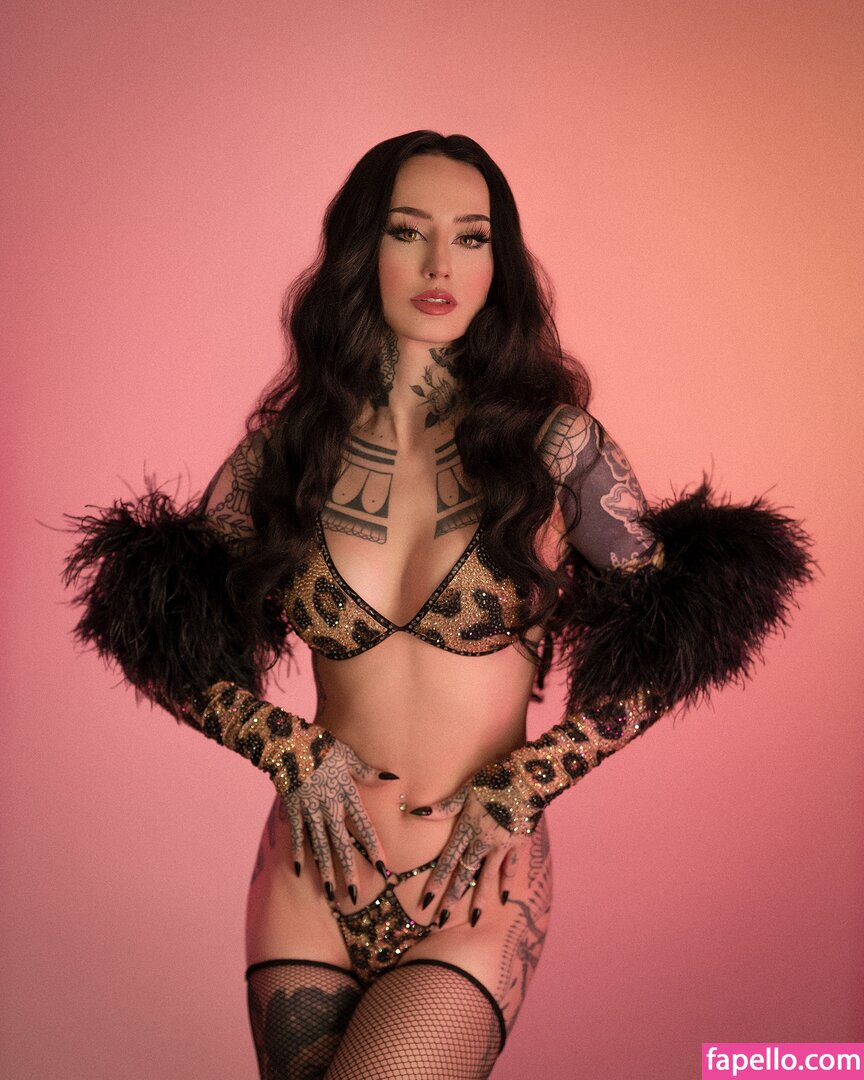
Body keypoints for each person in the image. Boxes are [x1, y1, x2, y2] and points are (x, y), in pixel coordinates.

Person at [64, 131, 813, 1080]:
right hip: (308, 881)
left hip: (474, 893)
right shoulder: (287, 453)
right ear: (360, 249)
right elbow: (158, 635)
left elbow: (684, 638)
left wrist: (530, 779)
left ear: (500, 262)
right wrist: (284, 746)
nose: (439, 266)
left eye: (471, 237)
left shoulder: (555, 447)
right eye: (407, 231)